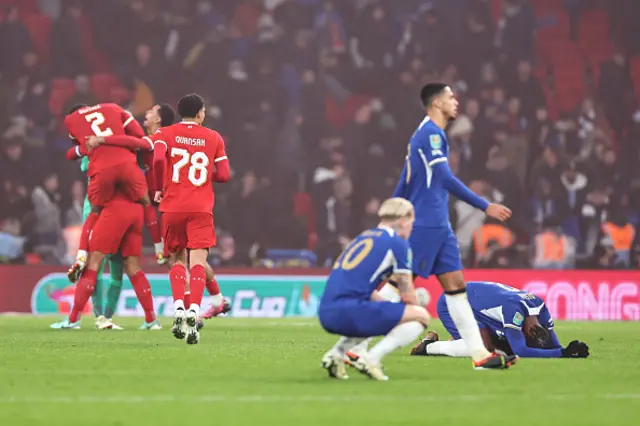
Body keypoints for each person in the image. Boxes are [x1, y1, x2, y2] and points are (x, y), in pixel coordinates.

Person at [392, 83, 516, 370]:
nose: (455, 102)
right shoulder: (431, 134)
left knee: (456, 287)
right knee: (398, 284)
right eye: (450, 97)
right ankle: (354, 346)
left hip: (439, 224)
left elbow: (406, 178)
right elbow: (446, 178)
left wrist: (394, 207)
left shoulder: (424, 135)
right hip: (427, 223)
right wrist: (486, 205)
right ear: (436, 103)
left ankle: (480, 356)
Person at [318, 198, 430, 381]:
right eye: (411, 223)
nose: (411, 229)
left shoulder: (363, 237)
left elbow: (363, 289)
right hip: (349, 312)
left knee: (379, 312)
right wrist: (415, 307)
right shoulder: (398, 243)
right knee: (421, 316)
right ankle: (371, 358)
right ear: (402, 220)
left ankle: (337, 354)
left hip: (327, 311)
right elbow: (407, 292)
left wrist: (390, 308)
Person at [151, 93, 231, 345]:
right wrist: (206, 176)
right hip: (200, 208)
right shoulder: (214, 137)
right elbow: (225, 175)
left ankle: (178, 309)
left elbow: (156, 159)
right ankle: (194, 312)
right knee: (198, 260)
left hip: (172, 206)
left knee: (175, 259)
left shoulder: (164, 134)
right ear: (199, 114)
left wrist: (159, 186)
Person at [64, 103, 161, 282]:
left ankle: (81, 256)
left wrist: (95, 143)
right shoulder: (113, 109)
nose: (146, 114)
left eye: (151, 113)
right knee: (129, 266)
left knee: (96, 251)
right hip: (131, 184)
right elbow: (140, 139)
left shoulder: (74, 122)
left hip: (102, 185)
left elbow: (71, 153)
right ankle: (159, 248)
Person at [50, 193, 161, 330]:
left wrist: (82, 251)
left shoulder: (99, 178)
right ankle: (111, 317)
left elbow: (89, 174)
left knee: (94, 267)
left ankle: (88, 318)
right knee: (120, 269)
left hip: (104, 211)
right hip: (128, 212)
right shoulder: (132, 176)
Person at [410, 281, 590, 359]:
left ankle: (461, 340)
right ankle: (429, 347)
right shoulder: (514, 310)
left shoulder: (541, 310)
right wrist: (561, 354)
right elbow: (522, 351)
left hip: (476, 305)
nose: (523, 337)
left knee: (503, 347)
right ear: (527, 331)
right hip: (453, 301)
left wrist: (567, 350)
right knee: (486, 350)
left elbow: (554, 345)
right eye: (526, 337)